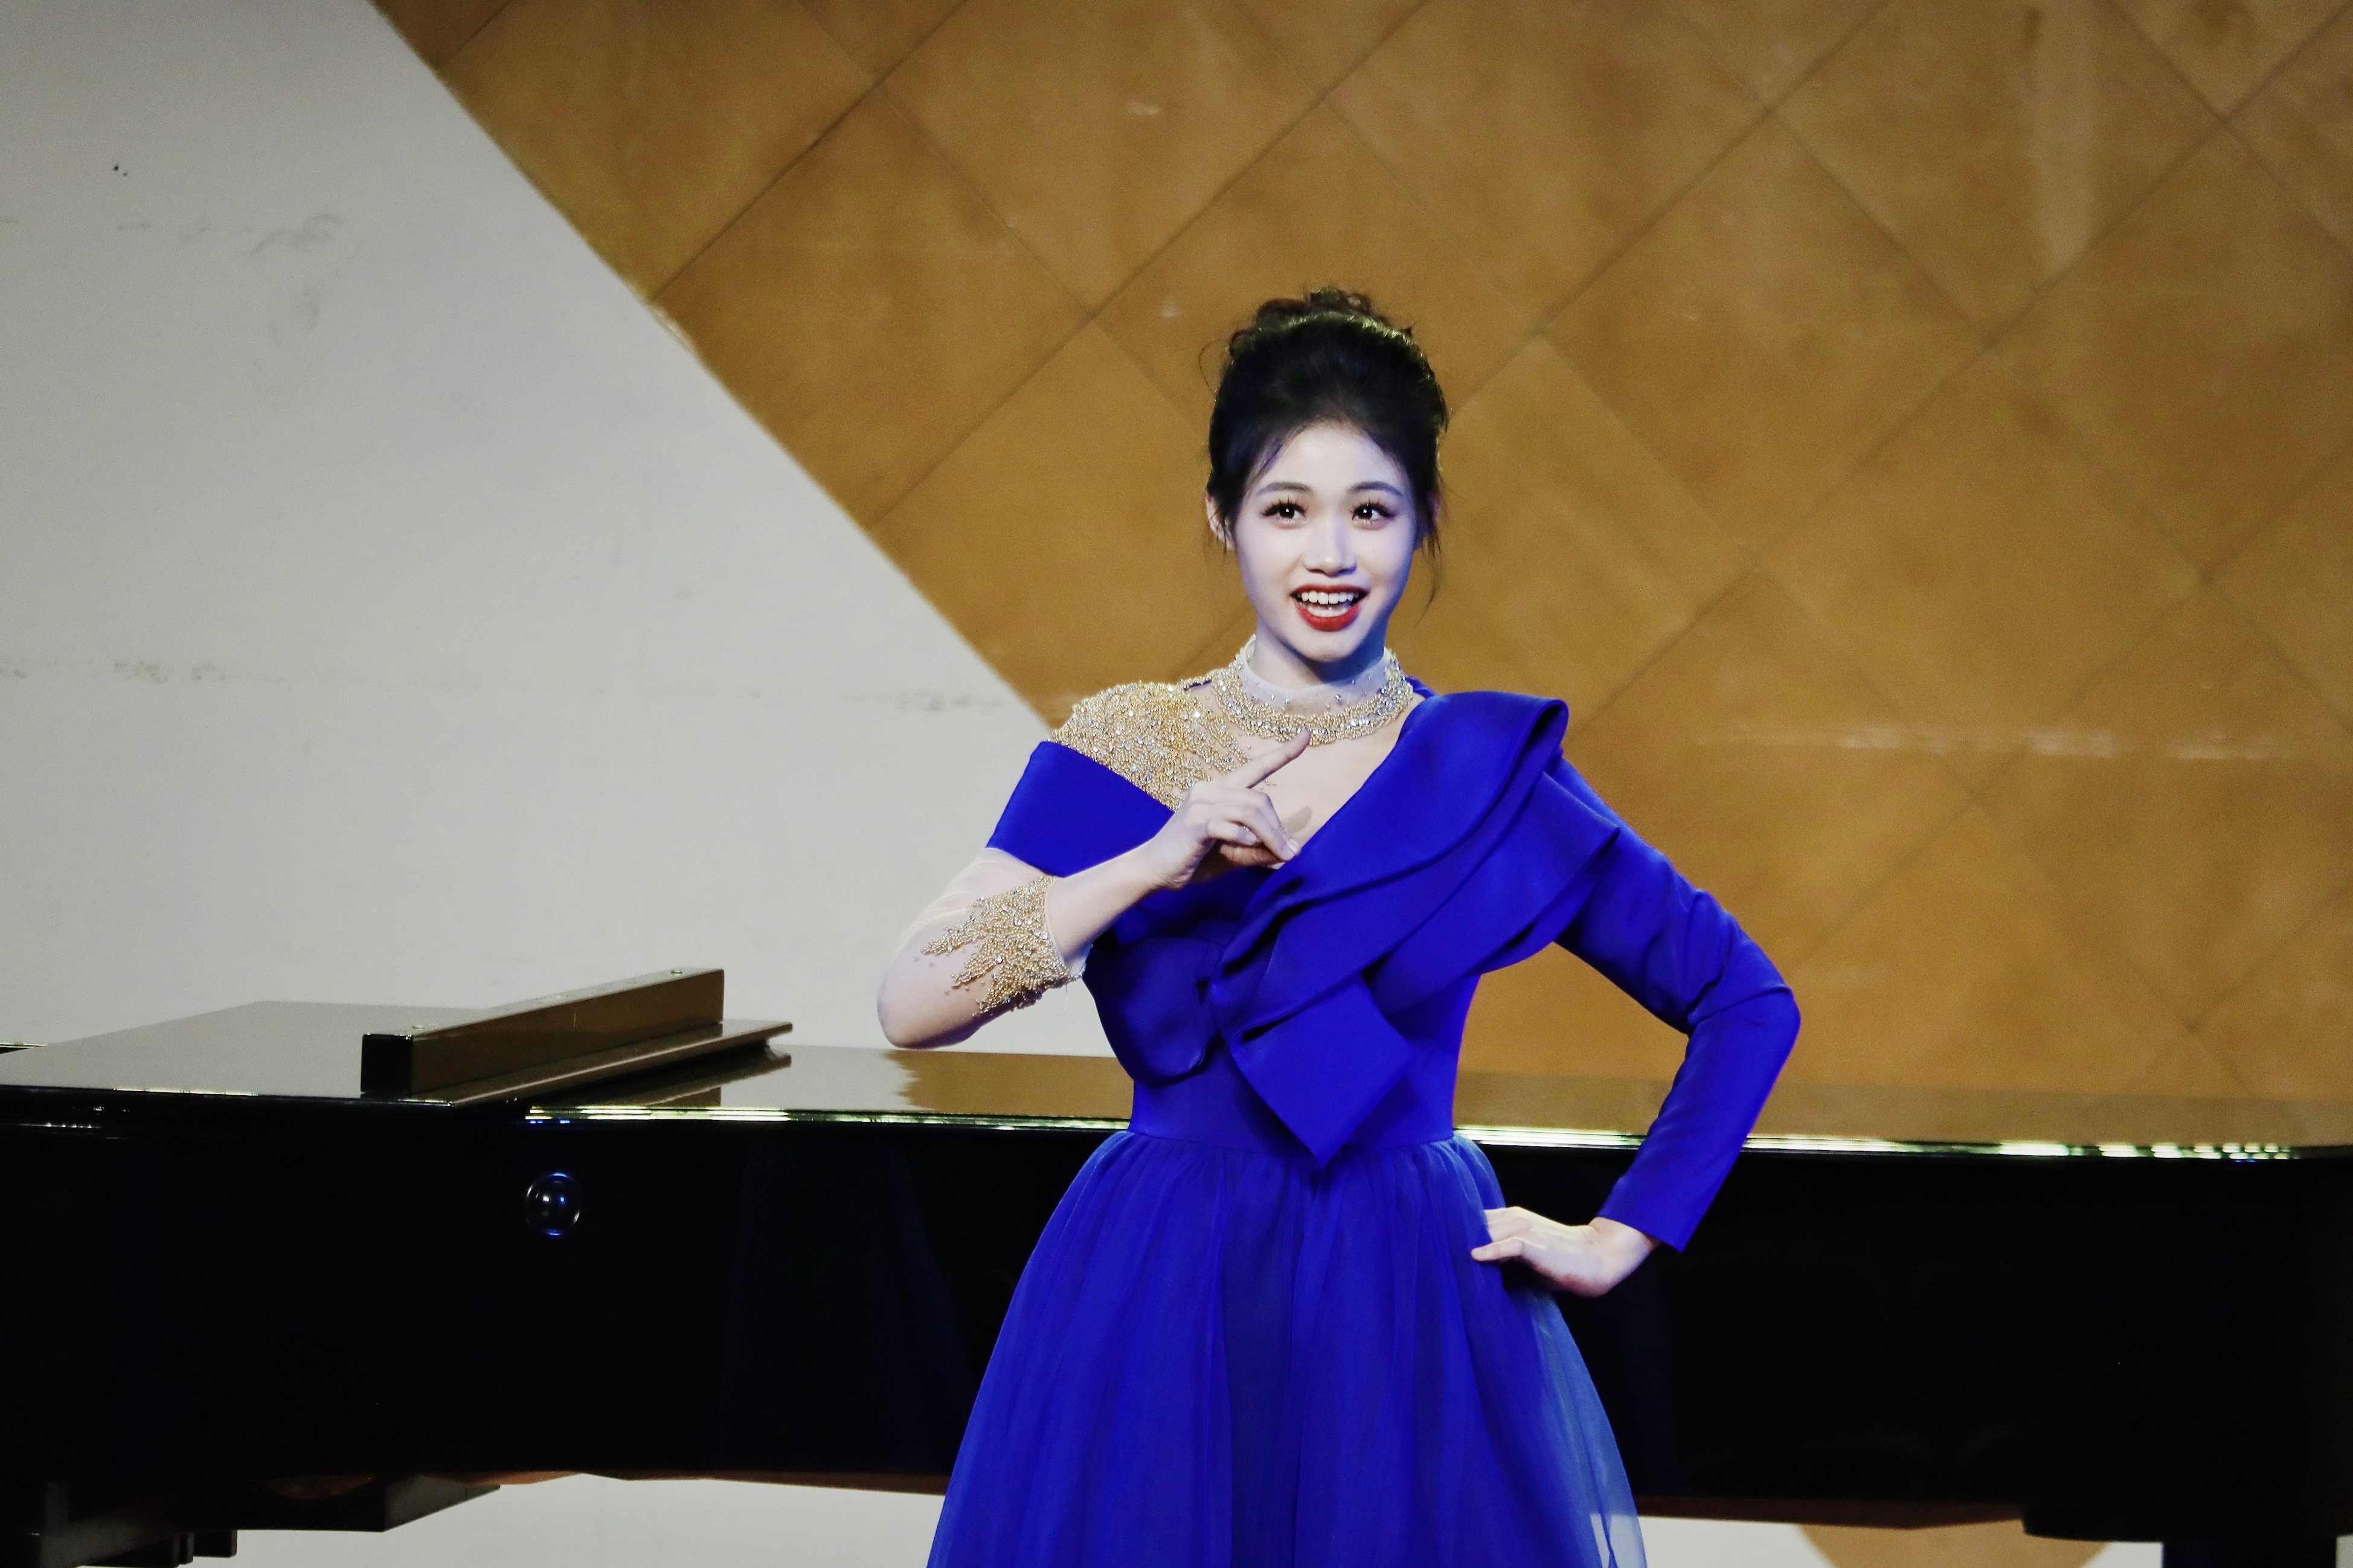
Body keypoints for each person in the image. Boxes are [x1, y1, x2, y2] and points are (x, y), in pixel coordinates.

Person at [877, 289, 1799, 1568]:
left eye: (1371, 511)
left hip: (1406, 1287)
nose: (1330, 555)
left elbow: (1744, 999)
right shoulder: (1132, 744)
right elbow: (912, 1002)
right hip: (1164, 1275)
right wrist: (1152, 861)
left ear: (1423, 522)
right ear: (1222, 518)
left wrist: (1620, 1234)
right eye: (1285, 510)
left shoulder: (1481, 774)